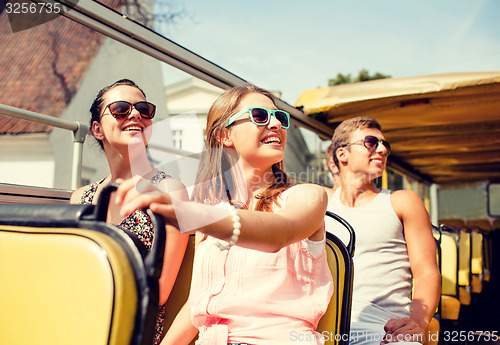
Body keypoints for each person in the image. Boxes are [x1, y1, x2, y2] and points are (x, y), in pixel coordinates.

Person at [114, 84, 333, 345]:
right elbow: (199, 301)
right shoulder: (212, 209)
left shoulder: (309, 196)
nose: (275, 123)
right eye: (260, 116)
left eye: (280, 117)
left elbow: (280, 231)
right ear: (224, 136)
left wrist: (191, 212)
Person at [70, 79, 189, 345]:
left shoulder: (170, 191)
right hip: (79, 317)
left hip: (132, 327)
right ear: (97, 129)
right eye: (121, 108)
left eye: (144, 109)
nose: (135, 114)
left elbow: (159, 291)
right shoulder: (80, 198)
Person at [325, 117, 440, 345]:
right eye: (371, 142)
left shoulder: (403, 201)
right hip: (323, 319)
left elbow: (426, 271)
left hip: (382, 325)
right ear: (342, 155)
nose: (382, 150)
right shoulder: (319, 201)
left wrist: (418, 321)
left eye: (385, 145)